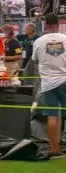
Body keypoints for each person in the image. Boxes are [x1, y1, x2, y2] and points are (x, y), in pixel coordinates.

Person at [32, 12, 66, 158]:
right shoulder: (65, 39)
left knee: (52, 117)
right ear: (57, 24)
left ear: (45, 24)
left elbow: (34, 60)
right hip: (65, 80)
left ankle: (54, 148)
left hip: (48, 84)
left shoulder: (38, 42)